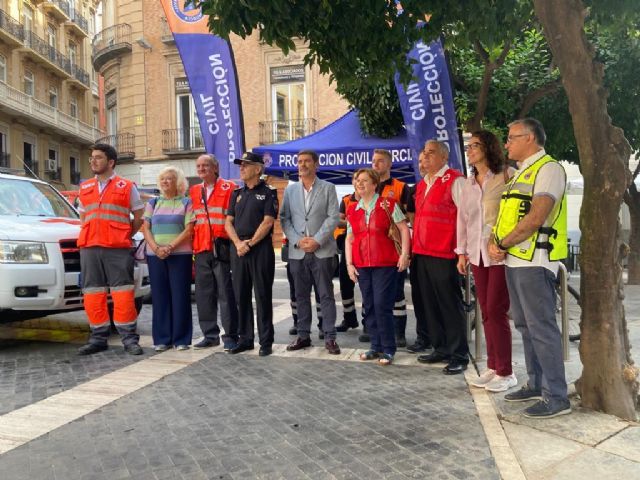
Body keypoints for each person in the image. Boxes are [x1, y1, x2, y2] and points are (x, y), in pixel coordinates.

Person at [489, 118, 570, 418]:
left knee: (542, 328)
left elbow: (537, 217)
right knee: (525, 326)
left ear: (531, 137)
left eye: (512, 137)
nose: (507, 143)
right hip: (515, 260)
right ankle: (536, 384)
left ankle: (557, 396)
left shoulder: (548, 169)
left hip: (535, 262)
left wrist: (504, 243)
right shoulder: (520, 173)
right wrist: (494, 243)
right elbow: (506, 217)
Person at [456, 131, 516, 391]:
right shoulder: (468, 184)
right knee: (486, 311)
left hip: (499, 253)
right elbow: (463, 220)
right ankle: (493, 366)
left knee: (495, 309)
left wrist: (504, 243)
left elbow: (515, 212)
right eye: (468, 146)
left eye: (475, 145)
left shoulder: (506, 176)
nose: (469, 150)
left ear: (488, 147)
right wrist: (461, 252)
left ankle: (506, 371)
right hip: (476, 254)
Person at [76, 143, 144, 355]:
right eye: (92, 158)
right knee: (92, 293)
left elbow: (139, 217)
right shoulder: (85, 187)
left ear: (111, 162)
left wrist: (124, 235)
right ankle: (98, 338)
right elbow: (83, 216)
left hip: (117, 248)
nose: (93, 161)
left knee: (123, 293)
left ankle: (129, 339)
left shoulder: (126, 186)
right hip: (90, 247)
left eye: (98, 157)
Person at [412, 140, 469, 374]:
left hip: (445, 253)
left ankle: (459, 354)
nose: (425, 157)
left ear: (444, 158)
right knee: (429, 304)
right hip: (422, 252)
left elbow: (466, 217)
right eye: (424, 152)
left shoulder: (455, 181)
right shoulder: (422, 184)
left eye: (431, 153)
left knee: (449, 304)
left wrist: (462, 252)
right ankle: (441, 347)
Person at [345, 169, 411, 365]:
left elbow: (403, 229)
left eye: (365, 180)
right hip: (362, 265)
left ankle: (388, 348)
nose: (360, 183)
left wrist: (405, 254)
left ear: (375, 184)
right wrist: (349, 264)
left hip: (385, 264)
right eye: (357, 180)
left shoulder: (388, 204)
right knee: (369, 305)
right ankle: (375, 346)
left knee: (382, 304)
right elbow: (349, 239)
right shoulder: (352, 209)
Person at [281, 150, 341, 354]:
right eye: (299, 161)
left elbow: (333, 217)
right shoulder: (290, 191)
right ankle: (303, 335)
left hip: (322, 251)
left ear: (316, 164)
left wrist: (316, 240)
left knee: (326, 295)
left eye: (307, 161)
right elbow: (284, 219)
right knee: (301, 295)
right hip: (298, 252)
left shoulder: (328, 188)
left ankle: (330, 337)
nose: (302, 164)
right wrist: (298, 241)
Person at [225, 151, 278, 357]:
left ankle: (266, 341)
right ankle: (245, 339)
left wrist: (250, 243)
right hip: (238, 249)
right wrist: (238, 243)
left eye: (246, 165)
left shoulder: (268, 192)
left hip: (260, 249)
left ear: (258, 169)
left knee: (263, 295)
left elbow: (268, 221)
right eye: (241, 165)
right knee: (241, 295)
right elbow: (228, 222)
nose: (242, 168)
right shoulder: (236, 194)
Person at [190, 154, 239, 351]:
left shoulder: (230, 187)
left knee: (226, 294)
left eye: (206, 165)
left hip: (223, 248)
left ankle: (230, 335)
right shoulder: (194, 190)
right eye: (199, 166)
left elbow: (235, 217)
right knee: (204, 294)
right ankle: (210, 335)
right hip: (201, 249)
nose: (202, 169)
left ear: (215, 167)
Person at [142, 166, 194, 351]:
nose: (165, 182)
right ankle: (162, 339)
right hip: (155, 255)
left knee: (180, 296)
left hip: (180, 255)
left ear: (178, 183)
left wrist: (170, 247)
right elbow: (146, 228)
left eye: (169, 178)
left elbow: (189, 229)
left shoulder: (186, 202)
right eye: (163, 179)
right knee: (160, 296)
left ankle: (181, 339)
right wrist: (156, 248)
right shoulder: (153, 203)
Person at [370, 148, 410, 347]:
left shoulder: (401, 187)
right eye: (373, 161)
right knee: (375, 294)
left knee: (396, 293)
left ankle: (399, 331)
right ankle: (378, 332)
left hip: (393, 248)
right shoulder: (367, 188)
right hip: (373, 250)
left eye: (380, 161)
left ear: (389, 164)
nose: (375, 165)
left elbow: (409, 218)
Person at [334, 177, 360, 333]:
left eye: (362, 179)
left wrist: (350, 221)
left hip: (366, 246)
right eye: (356, 179)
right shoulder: (346, 200)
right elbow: (338, 220)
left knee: (366, 285)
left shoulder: (373, 200)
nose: (359, 182)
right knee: (345, 283)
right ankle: (349, 319)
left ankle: (369, 322)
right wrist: (356, 221)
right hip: (348, 245)